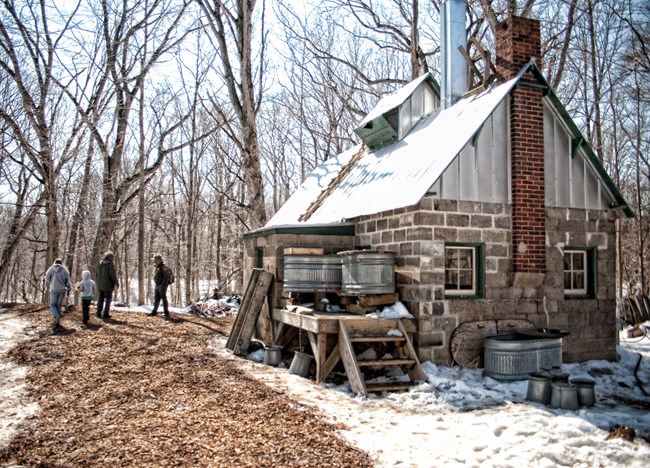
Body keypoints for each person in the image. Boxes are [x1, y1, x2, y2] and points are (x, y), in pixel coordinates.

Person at [45, 258, 72, 329]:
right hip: (62, 290)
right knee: (58, 305)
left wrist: (51, 280)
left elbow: (47, 278)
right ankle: (57, 322)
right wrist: (69, 289)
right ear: (61, 263)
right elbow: (68, 281)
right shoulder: (65, 270)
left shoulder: (51, 269)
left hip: (53, 289)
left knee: (52, 305)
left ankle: (56, 316)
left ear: (55, 262)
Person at [149, 254, 173, 320]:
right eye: (154, 259)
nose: (154, 261)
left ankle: (166, 313)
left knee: (163, 299)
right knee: (157, 299)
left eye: (156, 259)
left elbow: (167, 276)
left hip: (162, 285)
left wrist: (163, 285)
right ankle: (154, 312)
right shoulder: (157, 267)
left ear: (159, 260)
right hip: (157, 285)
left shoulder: (164, 267)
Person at [96, 251, 118, 319]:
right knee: (108, 299)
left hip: (100, 285)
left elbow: (97, 274)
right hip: (108, 285)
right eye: (112, 257)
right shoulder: (109, 264)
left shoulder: (100, 263)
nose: (112, 258)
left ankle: (98, 312)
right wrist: (116, 283)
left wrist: (98, 282)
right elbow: (113, 275)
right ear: (109, 257)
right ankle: (106, 313)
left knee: (100, 299)